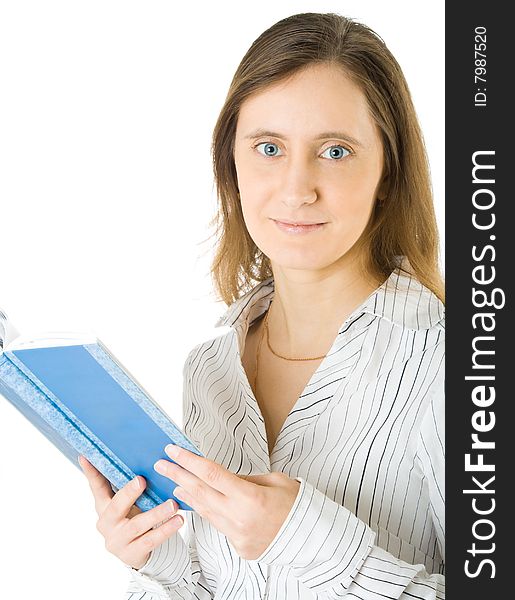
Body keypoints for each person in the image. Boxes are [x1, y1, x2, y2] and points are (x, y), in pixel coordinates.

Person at [79, 11, 445, 599]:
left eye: (335, 151)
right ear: (232, 163)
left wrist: (302, 541)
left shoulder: (459, 364)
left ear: (388, 170)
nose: (297, 188)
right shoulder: (210, 369)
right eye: (269, 147)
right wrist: (161, 562)